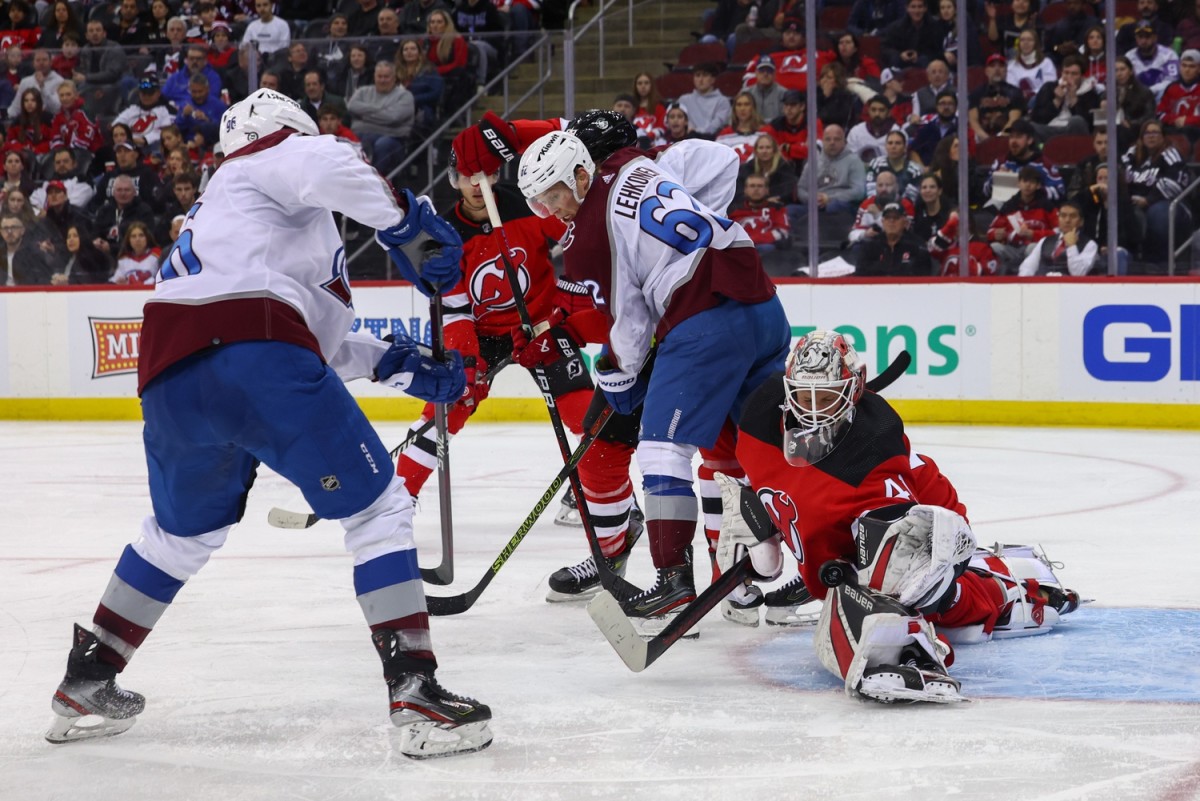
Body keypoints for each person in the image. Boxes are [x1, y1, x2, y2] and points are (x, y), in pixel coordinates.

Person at [44, 88, 492, 760]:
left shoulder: (232, 210)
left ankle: (88, 678)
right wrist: (409, 221)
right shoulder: (276, 156)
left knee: (177, 536)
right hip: (254, 353)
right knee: (378, 509)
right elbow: (329, 181)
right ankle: (416, 690)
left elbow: (313, 337)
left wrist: (397, 365)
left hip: (171, 375)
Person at [510, 125, 790, 629]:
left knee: (663, 450)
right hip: (760, 300)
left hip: (704, 322)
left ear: (580, 173)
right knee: (760, 447)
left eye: (554, 195)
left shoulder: (591, 239)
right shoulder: (637, 164)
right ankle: (811, 559)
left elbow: (631, 329)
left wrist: (616, 378)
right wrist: (698, 233)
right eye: (540, 203)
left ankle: (673, 584)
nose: (553, 211)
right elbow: (723, 161)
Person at [733, 330, 1080, 704]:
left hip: (923, 522)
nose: (814, 409)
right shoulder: (760, 415)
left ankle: (1006, 593)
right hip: (842, 553)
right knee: (893, 575)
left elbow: (908, 531)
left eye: (827, 397)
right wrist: (760, 530)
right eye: (804, 396)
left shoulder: (872, 448)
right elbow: (757, 477)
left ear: (852, 392)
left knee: (908, 579)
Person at [397, 110, 647, 602]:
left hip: (545, 324)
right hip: (483, 335)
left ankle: (619, 518)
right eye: (467, 176)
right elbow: (452, 307)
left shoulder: (529, 207)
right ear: (453, 180)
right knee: (446, 410)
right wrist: (464, 359)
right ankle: (397, 502)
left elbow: (582, 236)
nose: (476, 184)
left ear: (496, 173)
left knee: (589, 421)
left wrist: (567, 313)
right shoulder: (442, 233)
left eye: (485, 174)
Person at [1122, 118, 1191, 263]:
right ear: (1141, 137)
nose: (1151, 136)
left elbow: (1175, 183)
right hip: (1134, 202)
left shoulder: (1171, 155)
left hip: (1168, 203)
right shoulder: (1131, 154)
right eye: (1147, 133)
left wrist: (1148, 200)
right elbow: (1120, 176)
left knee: (1158, 214)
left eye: (1155, 132)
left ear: (1163, 136)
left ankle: (1158, 263)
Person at [987, 165, 1060, 273]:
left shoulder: (1047, 206)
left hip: (1034, 249)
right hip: (1012, 249)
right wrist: (996, 234)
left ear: (1038, 185)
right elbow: (990, 231)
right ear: (1018, 183)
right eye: (1024, 181)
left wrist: (1034, 235)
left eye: (1032, 182)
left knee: (1033, 247)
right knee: (995, 247)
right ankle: (1001, 278)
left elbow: (1058, 232)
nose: (1027, 185)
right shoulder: (1009, 206)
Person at [347, 60, 414, 177]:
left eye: (386, 77)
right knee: (352, 142)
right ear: (374, 77)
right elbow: (352, 106)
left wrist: (364, 115)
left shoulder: (405, 96)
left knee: (383, 145)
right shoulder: (363, 91)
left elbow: (394, 117)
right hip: (362, 135)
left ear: (394, 78)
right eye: (379, 76)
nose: (382, 80)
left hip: (393, 138)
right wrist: (382, 110)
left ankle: (377, 181)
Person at [792, 124, 867, 222]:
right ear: (822, 141)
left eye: (837, 139)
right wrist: (812, 199)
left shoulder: (854, 161)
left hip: (842, 206)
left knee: (833, 207)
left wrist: (830, 198)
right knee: (790, 211)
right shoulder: (813, 162)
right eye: (828, 139)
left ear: (844, 142)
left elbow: (859, 191)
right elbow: (801, 188)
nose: (832, 143)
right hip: (815, 206)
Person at [1016, 199, 1098, 276]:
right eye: (1063, 216)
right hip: (1042, 286)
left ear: (1081, 222)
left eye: (1072, 216)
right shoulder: (1045, 241)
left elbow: (1078, 273)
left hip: (1069, 288)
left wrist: (1072, 246)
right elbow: (1027, 268)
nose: (1067, 220)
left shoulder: (1090, 245)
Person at [854, 201, 931, 275]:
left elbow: (923, 274)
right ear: (882, 222)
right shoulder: (871, 245)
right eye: (887, 217)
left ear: (905, 222)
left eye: (896, 217)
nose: (891, 221)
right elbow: (860, 272)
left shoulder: (917, 244)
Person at [968, 53, 1026, 141]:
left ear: (1006, 71)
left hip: (1007, 137)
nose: (997, 69)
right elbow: (973, 120)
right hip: (981, 137)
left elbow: (1014, 119)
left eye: (1001, 66)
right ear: (986, 71)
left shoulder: (1015, 92)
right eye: (992, 66)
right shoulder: (977, 93)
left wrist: (999, 138)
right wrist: (985, 138)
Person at [114, 76, 176, 154]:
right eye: (143, 93)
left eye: (150, 93)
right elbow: (117, 125)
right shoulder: (132, 109)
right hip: (129, 147)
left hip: (153, 149)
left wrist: (145, 140)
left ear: (158, 93)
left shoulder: (168, 110)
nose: (146, 96)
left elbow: (167, 131)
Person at [736, 132, 797, 205]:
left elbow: (788, 190)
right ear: (756, 151)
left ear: (774, 150)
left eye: (768, 147)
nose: (764, 151)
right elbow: (739, 190)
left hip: (778, 204)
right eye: (761, 148)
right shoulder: (746, 168)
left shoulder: (785, 167)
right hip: (750, 205)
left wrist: (773, 199)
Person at [1126, 20, 1179, 101]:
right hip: (1136, 98)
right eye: (1140, 37)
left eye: (1147, 36)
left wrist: (1149, 91)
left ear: (1155, 37)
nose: (1143, 41)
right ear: (1136, 38)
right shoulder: (1129, 56)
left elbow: (1172, 81)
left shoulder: (1169, 55)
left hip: (1161, 97)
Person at [677, 62, 732, 138]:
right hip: (687, 139)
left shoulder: (722, 101)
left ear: (713, 79)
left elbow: (715, 126)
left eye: (705, 75)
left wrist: (696, 131)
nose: (700, 79)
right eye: (697, 75)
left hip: (712, 140)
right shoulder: (684, 100)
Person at [7, 49, 65, 118]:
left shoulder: (59, 81)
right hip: (28, 120)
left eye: (44, 60)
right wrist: (7, 116)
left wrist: (42, 86)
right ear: (33, 63)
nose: (41, 63)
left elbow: (56, 108)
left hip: (50, 121)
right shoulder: (25, 82)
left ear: (51, 62)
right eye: (38, 60)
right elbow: (17, 106)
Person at [1007, 28, 1057, 101]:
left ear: (1036, 43)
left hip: (1041, 101)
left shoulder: (1046, 63)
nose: (1026, 43)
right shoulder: (1011, 66)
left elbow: (1049, 87)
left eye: (1030, 40)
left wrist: (1032, 94)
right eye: (1022, 40)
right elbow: (1011, 89)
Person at [847, 95, 900, 162]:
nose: (877, 114)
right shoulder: (856, 132)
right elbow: (850, 159)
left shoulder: (897, 132)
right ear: (868, 111)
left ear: (889, 112)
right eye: (873, 110)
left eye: (881, 110)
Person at [715, 91, 765, 162]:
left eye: (746, 104)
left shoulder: (764, 133)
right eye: (739, 105)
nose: (742, 108)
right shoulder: (724, 135)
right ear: (734, 109)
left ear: (753, 108)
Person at [109, 220, 160, 284]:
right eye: (133, 236)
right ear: (129, 240)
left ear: (147, 238)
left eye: (141, 235)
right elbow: (116, 280)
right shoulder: (124, 259)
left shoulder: (157, 255)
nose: (137, 239)